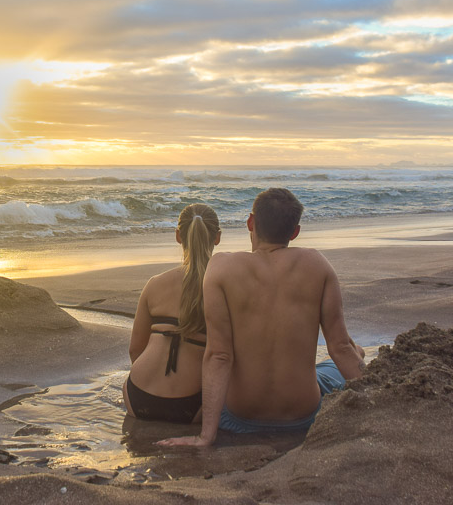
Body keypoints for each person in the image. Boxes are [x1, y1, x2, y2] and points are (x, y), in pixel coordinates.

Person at [159, 188, 363, 446]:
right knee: (346, 356)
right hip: (304, 418)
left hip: (240, 421)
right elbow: (340, 347)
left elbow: (219, 356)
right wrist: (382, 408)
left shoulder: (221, 267)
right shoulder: (318, 264)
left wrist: (205, 437)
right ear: (295, 232)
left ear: (250, 223)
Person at [123, 203, 221, 423]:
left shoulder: (155, 284)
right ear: (217, 238)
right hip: (191, 403)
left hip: (137, 395)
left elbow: (135, 350)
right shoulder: (224, 286)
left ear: (178, 236)